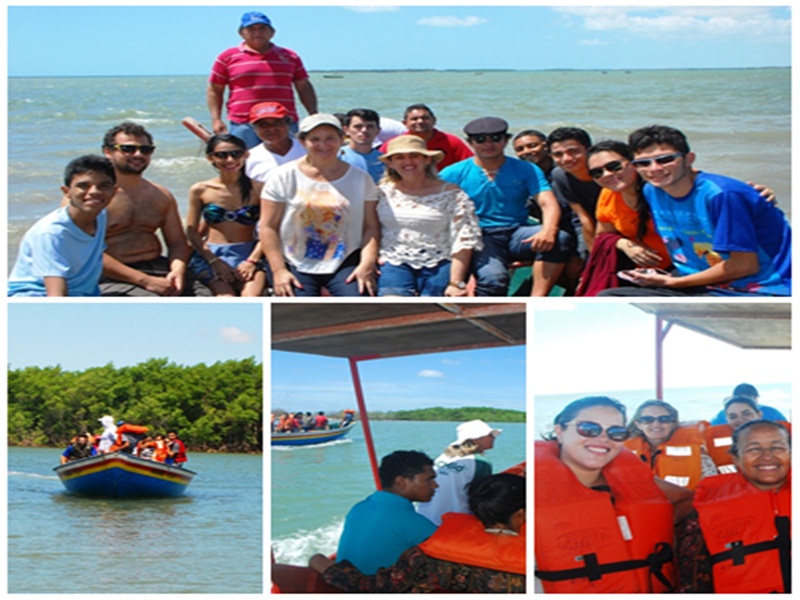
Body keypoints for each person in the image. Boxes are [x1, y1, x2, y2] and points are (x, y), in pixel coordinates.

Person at [601, 125, 791, 296]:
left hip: (761, 287)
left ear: (689, 159)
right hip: (702, 280)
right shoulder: (651, 190)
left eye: (665, 159)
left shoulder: (722, 195)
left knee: (612, 299)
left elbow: (745, 265)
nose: (654, 169)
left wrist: (675, 283)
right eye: (643, 163)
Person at [535, 396, 691, 593]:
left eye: (616, 432)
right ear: (560, 431)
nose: (602, 438)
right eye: (589, 429)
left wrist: (657, 524)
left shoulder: (633, 480)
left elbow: (686, 499)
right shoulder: (529, 489)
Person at [311, 473, 525, 593]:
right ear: (520, 515)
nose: (435, 485)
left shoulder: (423, 558)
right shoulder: (533, 562)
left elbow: (364, 586)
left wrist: (317, 560)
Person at [440, 117, 574, 296]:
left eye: (495, 138)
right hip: (480, 237)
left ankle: (537, 299)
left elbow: (547, 202)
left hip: (516, 233)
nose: (488, 144)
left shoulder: (526, 169)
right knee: (493, 279)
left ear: (505, 140)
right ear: (470, 143)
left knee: (560, 238)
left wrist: (549, 230)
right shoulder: (453, 172)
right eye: (480, 140)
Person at [260, 113, 380, 296]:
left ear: (342, 139)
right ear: (302, 141)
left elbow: (371, 227)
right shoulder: (283, 176)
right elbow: (268, 227)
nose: (323, 145)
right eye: (314, 139)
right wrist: (278, 271)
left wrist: (367, 264)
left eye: (330, 138)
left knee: (360, 300)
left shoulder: (360, 178)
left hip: (345, 259)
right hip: (294, 260)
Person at [678, 420, 790, 593]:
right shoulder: (706, 509)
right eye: (754, 449)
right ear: (736, 459)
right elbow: (692, 577)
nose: (767, 456)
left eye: (777, 448)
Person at [98, 122, 208, 296]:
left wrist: (177, 271)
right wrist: (145, 281)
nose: (138, 154)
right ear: (108, 152)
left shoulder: (161, 195)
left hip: (159, 267)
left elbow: (177, 243)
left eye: (145, 150)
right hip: (111, 275)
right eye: (128, 149)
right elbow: (82, 252)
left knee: (207, 300)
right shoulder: (92, 197)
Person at [375, 135, 482, 296]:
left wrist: (457, 282)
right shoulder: (382, 192)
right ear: (390, 163)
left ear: (426, 160)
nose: (408, 162)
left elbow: (463, 240)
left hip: (441, 262)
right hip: (393, 261)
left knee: (434, 307)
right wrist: (369, 261)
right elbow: (370, 228)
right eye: (399, 157)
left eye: (414, 156)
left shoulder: (452, 194)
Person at [9, 155, 115, 297]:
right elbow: (56, 296)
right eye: (83, 186)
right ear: (67, 192)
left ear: (114, 191)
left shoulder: (100, 215)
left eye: (104, 186)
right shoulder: (51, 234)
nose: (94, 191)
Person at [207, 11, 317, 148]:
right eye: (251, 29)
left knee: (289, 163)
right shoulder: (227, 57)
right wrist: (216, 119)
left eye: (262, 28)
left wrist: (313, 114)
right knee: (245, 164)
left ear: (272, 32)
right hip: (244, 123)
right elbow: (215, 90)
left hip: (284, 121)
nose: (257, 33)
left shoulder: (290, 56)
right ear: (241, 33)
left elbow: (303, 86)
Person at [576, 140, 672, 295]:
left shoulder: (663, 191)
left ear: (633, 162)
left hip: (680, 267)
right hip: (640, 270)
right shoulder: (608, 194)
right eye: (596, 173)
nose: (607, 175)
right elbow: (603, 235)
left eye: (613, 166)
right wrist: (626, 245)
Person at [185, 134, 266, 297]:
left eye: (236, 154)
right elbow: (191, 231)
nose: (230, 160)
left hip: (250, 253)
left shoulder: (259, 189)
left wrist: (252, 261)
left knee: (251, 300)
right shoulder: (200, 190)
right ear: (210, 158)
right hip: (213, 255)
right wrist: (213, 261)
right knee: (226, 298)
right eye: (221, 155)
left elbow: (271, 228)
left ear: (246, 154)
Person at [334, 450, 438, 575]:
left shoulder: (359, 507)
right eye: (429, 480)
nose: (435, 485)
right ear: (401, 481)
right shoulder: (412, 522)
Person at [417, 419, 501, 525]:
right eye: (490, 435)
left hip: (427, 517)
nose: (494, 438)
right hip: (454, 522)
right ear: (476, 439)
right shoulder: (480, 463)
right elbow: (480, 498)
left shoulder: (443, 457)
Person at [624, 399, 716, 490]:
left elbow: (711, 487)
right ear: (638, 424)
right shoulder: (624, 453)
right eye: (647, 419)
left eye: (664, 419)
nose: (656, 424)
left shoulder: (698, 455)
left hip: (684, 503)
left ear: (674, 423)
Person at [547, 127, 601, 258]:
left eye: (573, 152)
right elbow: (584, 218)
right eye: (558, 154)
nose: (567, 159)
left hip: (616, 217)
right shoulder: (560, 176)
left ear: (589, 150)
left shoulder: (606, 171)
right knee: (583, 256)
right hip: (586, 219)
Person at [383, 104, 473, 171]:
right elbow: (378, 165)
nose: (420, 121)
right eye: (414, 119)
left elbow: (470, 165)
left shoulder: (451, 141)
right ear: (404, 123)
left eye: (425, 118)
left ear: (434, 120)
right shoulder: (395, 143)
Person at [245, 102, 307, 182]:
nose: (271, 129)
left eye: (277, 123)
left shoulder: (308, 149)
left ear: (288, 124)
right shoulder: (249, 158)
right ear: (254, 129)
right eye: (264, 125)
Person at [339, 108, 385, 184]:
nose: (364, 130)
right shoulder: (336, 156)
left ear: (378, 131)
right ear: (346, 130)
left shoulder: (384, 160)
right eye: (358, 126)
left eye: (370, 126)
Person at [709, 383, 787, 425]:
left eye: (746, 414)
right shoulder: (721, 416)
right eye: (733, 416)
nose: (740, 420)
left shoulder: (772, 413)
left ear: (759, 415)